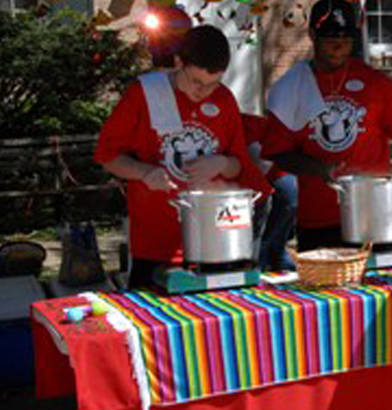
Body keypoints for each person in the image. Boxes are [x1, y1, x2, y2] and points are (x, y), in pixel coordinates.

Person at [95, 25, 272, 288]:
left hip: (215, 242)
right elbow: (107, 156)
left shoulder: (224, 100)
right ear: (178, 62)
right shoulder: (145, 93)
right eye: (196, 82)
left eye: (213, 84)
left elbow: (240, 168)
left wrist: (222, 163)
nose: (204, 92)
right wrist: (144, 173)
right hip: (157, 245)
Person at [261, 0, 392, 251]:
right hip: (319, 220)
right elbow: (278, 153)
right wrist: (319, 168)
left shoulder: (376, 84)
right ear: (313, 36)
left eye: (346, 42)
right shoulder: (292, 87)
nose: (338, 49)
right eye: (331, 42)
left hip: (375, 215)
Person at [242, 113, 298, 271]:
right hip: (239, 176)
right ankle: (255, 256)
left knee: (289, 192)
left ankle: (276, 249)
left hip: (269, 173)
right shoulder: (237, 125)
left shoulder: (266, 126)